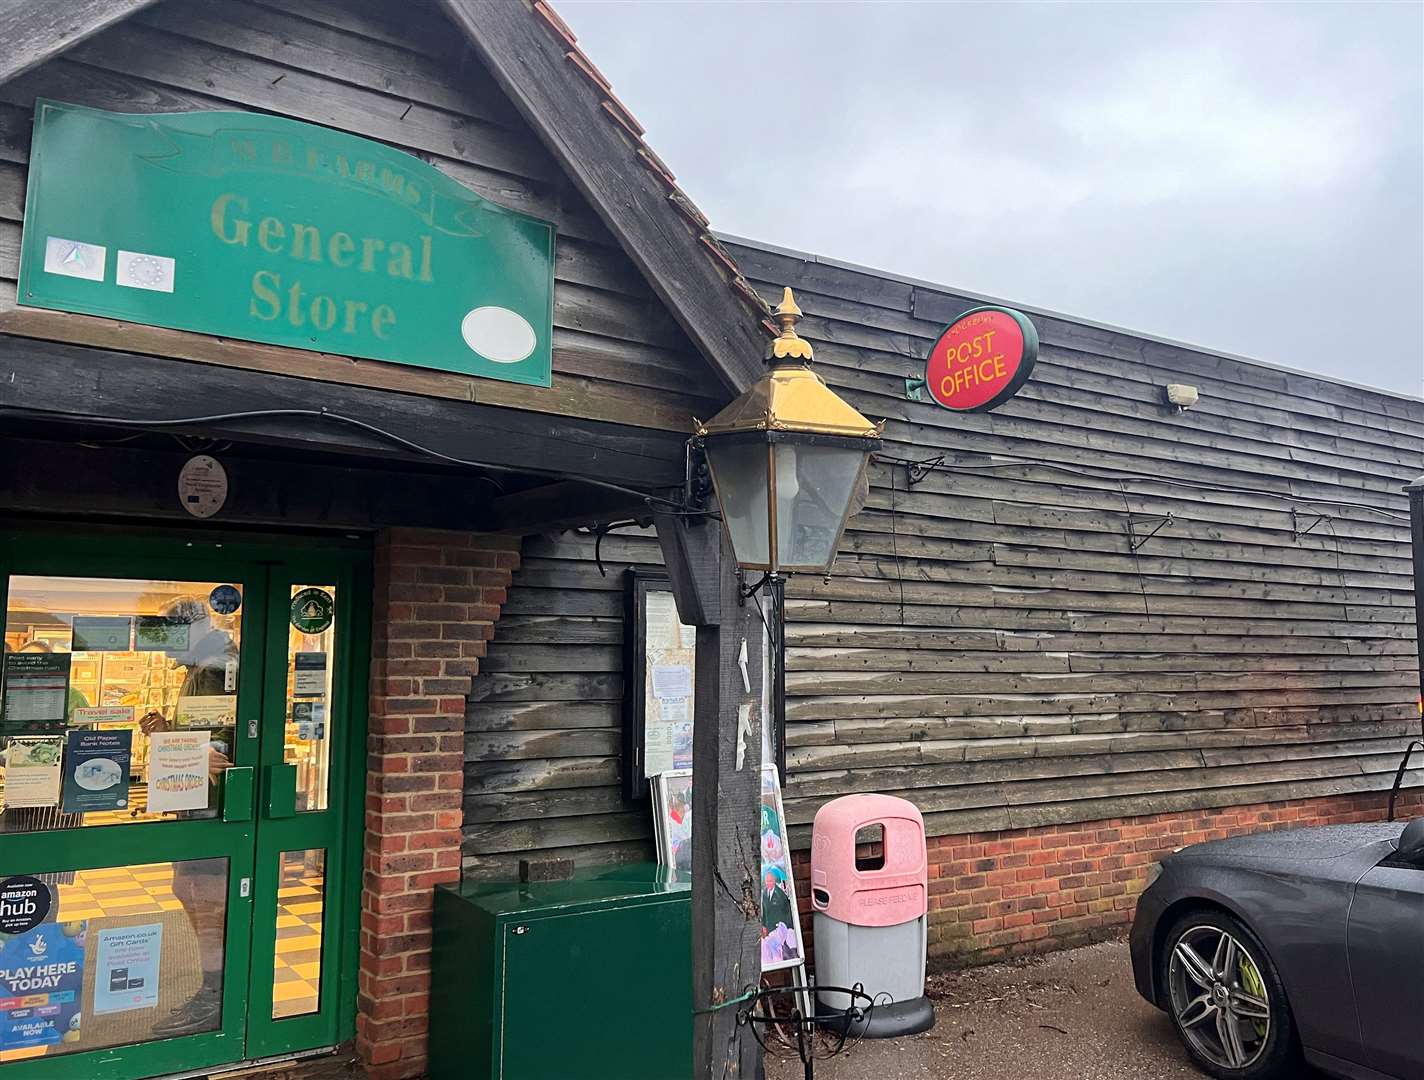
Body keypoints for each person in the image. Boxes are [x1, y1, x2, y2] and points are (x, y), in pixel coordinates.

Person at [137, 596, 238, 1038]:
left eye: (170, 638)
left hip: (215, 806)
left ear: (194, 629)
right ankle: (214, 988)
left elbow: (228, 745)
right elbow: (206, 739)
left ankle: (217, 995)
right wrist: (171, 734)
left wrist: (196, 751)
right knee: (191, 889)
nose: (164, 651)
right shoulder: (201, 668)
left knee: (208, 897)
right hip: (197, 800)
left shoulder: (218, 667)